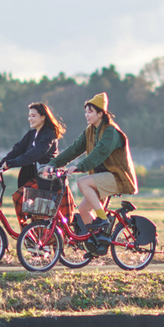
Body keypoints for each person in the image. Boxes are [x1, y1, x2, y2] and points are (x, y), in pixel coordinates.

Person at [44, 92, 137, 239]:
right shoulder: (90, 131)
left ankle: (103, 218)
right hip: (101, 178)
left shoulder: (110, 131)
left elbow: (100, 152)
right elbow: (73, 149)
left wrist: (80, 166)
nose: (86, 115)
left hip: (118, 177)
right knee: (83, 210)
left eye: (90, 111)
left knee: (82, 182)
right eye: (85, 111)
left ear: (100, 114)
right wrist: (53, 163)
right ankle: (96, 243)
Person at [0, 103, 65, 224]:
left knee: (21, 198)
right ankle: (28, 233)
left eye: (33, 116)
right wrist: (0, 165)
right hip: (35, 178)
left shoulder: (49, 134)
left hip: (48, 180)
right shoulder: (32, 134)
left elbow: (34, 154)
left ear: (43, 117)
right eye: (29, 116)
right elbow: (17, 150)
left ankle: (28, 233)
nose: (30, 119)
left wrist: (11, 164)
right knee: (24, 203)